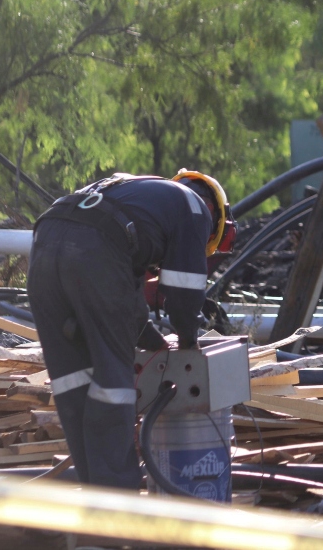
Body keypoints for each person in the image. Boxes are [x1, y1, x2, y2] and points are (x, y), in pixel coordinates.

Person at [27, 169, 233, 489]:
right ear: (215, 217)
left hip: (44, 243)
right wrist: (188, 344)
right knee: (114, 382)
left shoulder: (134, 194)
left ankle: (95, 500)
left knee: (72, 383)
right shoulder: (196, 209)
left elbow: (126, 296)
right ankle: (118, 502)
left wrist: (152, 340)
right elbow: (184, 293)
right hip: (94, 248)